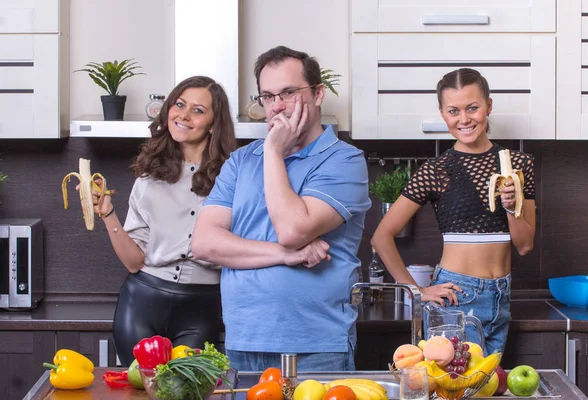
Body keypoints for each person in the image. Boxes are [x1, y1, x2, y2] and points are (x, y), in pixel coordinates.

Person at [191, 46, 371, 372]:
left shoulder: (344, 160)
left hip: (316, 346)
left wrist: (273, 151)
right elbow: (204, 243)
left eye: (289, 93)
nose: (277, 107)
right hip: (243, 342)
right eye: (268, 96)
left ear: (318, 94)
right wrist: (284, 255)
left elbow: (293, 230)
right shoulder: (241, 162)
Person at [371, 68, 536, 356]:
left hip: (502, 296)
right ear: (442, 114)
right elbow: (381, 236)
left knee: (486, 388)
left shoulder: (519, 165)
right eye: (453, 111)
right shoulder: (437, 171)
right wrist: (418, 292)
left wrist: (512, 207)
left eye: (472, 107)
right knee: (456, 391)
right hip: (457, 297)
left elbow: (524, 245)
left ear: (489, 106)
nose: (464, 119)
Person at [88, 76, 237, 366]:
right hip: (142, 302)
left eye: (198, 110)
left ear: (214, 123)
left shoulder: (232, 177)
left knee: (188, 391)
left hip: (202, 305)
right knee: (139, 392)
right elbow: (134, 262)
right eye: (179, 104)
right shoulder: (148, 178)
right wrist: (108, 214)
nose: (183, 115)